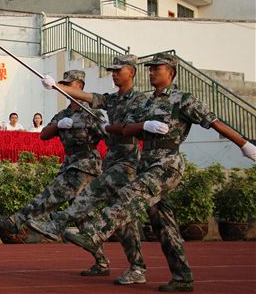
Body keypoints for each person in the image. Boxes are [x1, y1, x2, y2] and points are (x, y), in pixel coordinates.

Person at [63, 53, 256, 293]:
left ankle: (94, 233)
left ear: (171, 72)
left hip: (167, 164)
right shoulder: (145, 102)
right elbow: (124, 129)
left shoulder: (183, 100)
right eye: (151, 68)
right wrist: (143, 126)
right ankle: (182, 276)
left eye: (157, 68)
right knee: (164, 226)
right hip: (147, 161)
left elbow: (214, 123)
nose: (152, 72)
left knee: (132, 193)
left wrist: (245, 145)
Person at [36, 55, 147, 284]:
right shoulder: (109, 100)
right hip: (110, 163)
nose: (114, 74)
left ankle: (62, 226)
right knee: (121, 217)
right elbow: (86, 99)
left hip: (126, 164)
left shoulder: (139, 101)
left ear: (132, 72)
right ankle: (125, 264)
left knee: (96, 203)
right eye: (112, 71)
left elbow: (116, 130)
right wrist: (55, 88)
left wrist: (114, 128)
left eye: (119, 70)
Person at [0, 70, 106, 273]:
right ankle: (102, 260)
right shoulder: (63, 114)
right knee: (82, 217)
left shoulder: (91, 112)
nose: (64, 87)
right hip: (70, 161)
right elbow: (44, 134)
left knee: (54, 191)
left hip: (86, 163)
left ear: (79, 85)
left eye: (68, 84)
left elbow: (107, 134)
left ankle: (17, 220)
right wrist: (59, 125)